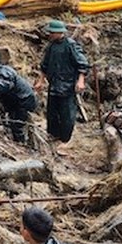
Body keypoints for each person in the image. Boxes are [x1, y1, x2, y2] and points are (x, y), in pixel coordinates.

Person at [35, 20, 90, 154]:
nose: (50, 35)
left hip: (67, 85)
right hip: (54, 85)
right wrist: (41, 81)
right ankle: (53, 135)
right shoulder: (51, 46)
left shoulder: (71, 46)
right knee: (52, 112)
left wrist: (80, 81)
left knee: (67, 114)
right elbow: (45, 65)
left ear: (60, 33)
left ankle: (66, 140)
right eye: (50, 33)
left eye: (53, 33)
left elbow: (82, 64)